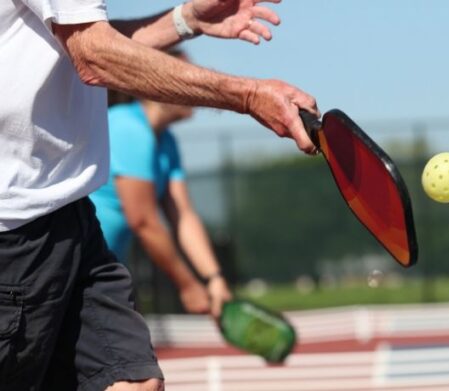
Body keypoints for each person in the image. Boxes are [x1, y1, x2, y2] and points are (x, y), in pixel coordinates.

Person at [0, 1, 319, 390]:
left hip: (71, 222)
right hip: (16, 235)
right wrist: (248, 95)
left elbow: (75, 40)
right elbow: (94, 54)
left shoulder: (165, 144)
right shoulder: (132, 131)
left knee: (137, 382)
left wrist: (186, 20)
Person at [91, 51, 232, 317]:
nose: (197, 88)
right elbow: (143, 222)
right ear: (157, 84)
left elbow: (183, 215)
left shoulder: (167, 142)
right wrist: (188, 285)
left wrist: (214, 278)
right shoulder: (128, 128)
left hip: (95, 275)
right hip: (63, 272)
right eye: (186, 79)